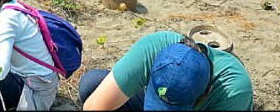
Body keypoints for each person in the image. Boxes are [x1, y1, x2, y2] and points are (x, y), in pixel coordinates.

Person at [79, 30, 253, 110]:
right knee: (91, 84)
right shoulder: (153, 48)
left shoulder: (234, 92)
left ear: (206, 91)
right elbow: (93, 108)